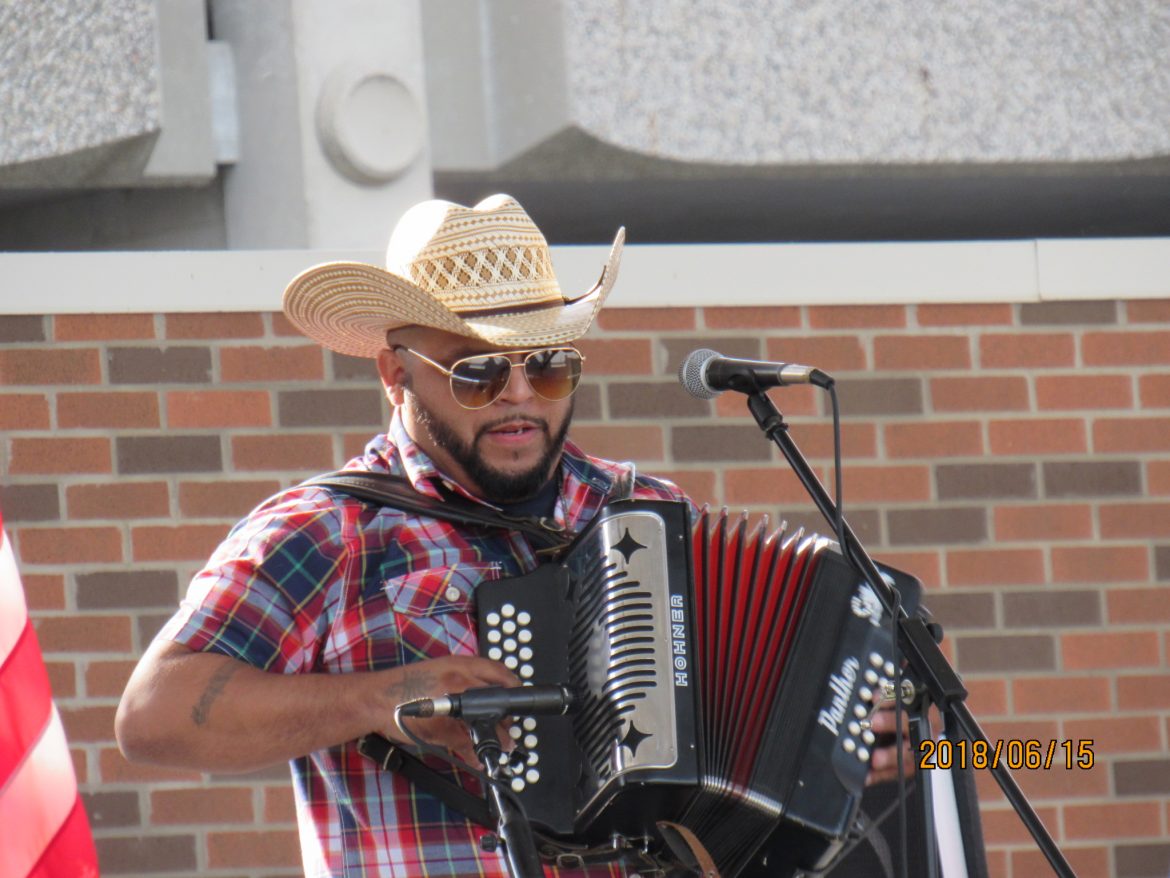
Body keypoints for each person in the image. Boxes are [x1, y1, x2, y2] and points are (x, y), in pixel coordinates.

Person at [116, 195, 912, 878]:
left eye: (548, 366)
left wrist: (838, 739)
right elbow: (154, 715)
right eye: (478, 373)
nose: (520, 396)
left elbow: (738, 739)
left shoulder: (639, 509)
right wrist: (384, 697)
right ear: (396, 374)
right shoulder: (330, 529)